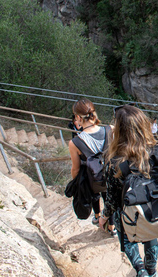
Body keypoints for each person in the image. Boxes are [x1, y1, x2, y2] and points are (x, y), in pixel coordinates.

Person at [99, 104, 158, 277]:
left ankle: (140, 270)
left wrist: (104, 217)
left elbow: (113, 199)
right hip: (154, 210)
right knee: (148, 228)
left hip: (129, 216)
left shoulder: (114, 163)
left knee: (125, 228)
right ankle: (152, 271)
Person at [68, 99, 116, 236]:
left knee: (95, 193)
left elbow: (75, 169)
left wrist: (76, 183)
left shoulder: (75, 142)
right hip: (111, 175)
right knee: (109, 198)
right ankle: (112, 227)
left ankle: (97, 216)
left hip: (92, 179)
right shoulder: (110, 130)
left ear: (78, 117)